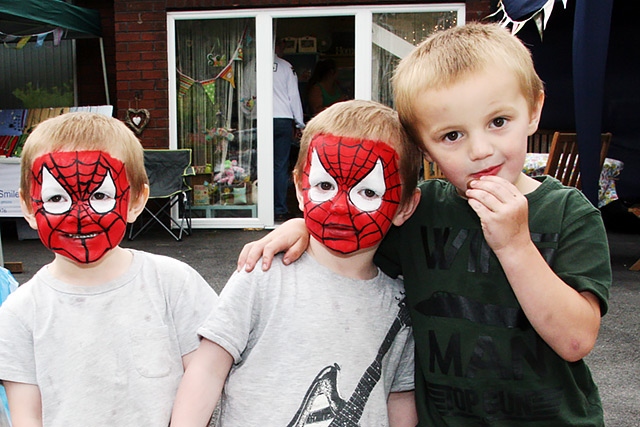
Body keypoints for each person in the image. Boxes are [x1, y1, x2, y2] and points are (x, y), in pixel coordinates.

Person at [236, 23, 612, 426]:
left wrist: (516, 245)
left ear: (534, 110)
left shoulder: (570, 214)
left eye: (498, 122)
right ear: (422, 147)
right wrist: (305, 228)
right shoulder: (419, 209)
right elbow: (355, 237)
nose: (481, 150)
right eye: (452, 135)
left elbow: (576, 340)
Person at [170, 100, 422, 427]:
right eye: (324, 186)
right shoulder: (264, 273)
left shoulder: (398, 305)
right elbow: (207, 368)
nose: (340, 207)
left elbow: (399, 397)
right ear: (301, 190)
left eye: (368, 193)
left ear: (404, 207)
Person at [0, 112, 218, 426]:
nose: (80, 215)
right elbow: (25, 415)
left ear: (135, 200)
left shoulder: (174, 285)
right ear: (29, 207)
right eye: (57, 198)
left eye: (100, 196)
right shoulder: (20, 313)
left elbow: (207, 374)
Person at [273, 37, 306, 222]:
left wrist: (248, 114)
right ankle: (279, 208)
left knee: (260, 166)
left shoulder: (250, 67)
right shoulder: (286, 67)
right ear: (276, 45)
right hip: (283, 118)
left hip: (259, 120)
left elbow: (246, 97)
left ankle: (261, 207)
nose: (284, 47)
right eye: (282, 43)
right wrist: (300, 123)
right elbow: (293, 95)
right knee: (280, 165)